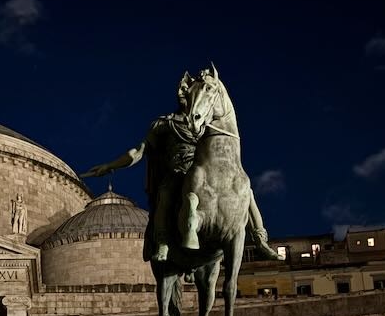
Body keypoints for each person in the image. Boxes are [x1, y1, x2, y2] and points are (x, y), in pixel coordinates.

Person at [80, 70, 280, 262]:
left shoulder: (205, 122)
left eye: (188, 90)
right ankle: (163, 242)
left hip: (205, 166)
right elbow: (137, 152)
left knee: (245, 189)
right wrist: (110, 165)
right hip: (178, 171)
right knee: (166, 194)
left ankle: (260, 239)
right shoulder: (164, 124)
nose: (184, 94)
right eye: (183, 90)